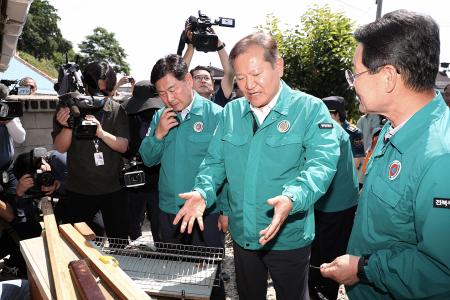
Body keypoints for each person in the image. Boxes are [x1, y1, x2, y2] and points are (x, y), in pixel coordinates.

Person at [174, 32, 340, 300]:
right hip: (243, 235)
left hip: (289, 236)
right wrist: (203, 191)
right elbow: (215, 162)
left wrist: (292, 197)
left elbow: (321, 164)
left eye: (256, 74)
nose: (248, 86)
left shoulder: (309, 109)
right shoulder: (232, 112)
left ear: (279, 66)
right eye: (240, 78)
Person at [320, 10, 450, 299]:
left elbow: (441, 273)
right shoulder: (394, 127)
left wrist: (363, 268)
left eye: (355, 74)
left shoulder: (441, 158)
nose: (351, 84)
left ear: (389, 77)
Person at [139, 54, 226, 299]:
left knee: (209, 280)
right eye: (162, 94)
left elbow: (227, 167)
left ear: (187, 80)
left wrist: (226, 210)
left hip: (205, 214)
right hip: (168, 212)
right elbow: (148, 159)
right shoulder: (160, 116)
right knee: (173, 279)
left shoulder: (216, 115)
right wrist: (158, 134)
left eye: (172, 89)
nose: (169, 98)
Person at [52, 61, 130, 239]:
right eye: (95, 90)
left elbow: (123, 146)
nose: (98, 96)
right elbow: (61, 147)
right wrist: (67, 126)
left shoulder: (115, 109)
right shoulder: (68, 107)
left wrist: (101, 133)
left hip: (113, 189)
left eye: (104, 92)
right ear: (85, 85)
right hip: (79, 190)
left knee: (120, 241)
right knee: (78, 243)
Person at [308, 117, 359, 300]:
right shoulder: (322, 126)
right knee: (317, 253)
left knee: (330, 256)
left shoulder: (326, 129)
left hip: (337, 204)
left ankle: (324, 294)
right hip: (324, 202)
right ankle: (314, 290)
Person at [121, 80, 164, 241]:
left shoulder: (164, 116)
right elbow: (123, 144)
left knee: (158, 219)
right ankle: (137, 246)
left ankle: (162, 248)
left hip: (159, 175)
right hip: (134, 175)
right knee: (133, 218)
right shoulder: (126, 116)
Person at [183, 25, 234, 107]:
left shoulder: (219, 100)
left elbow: (230, 72)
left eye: (206, 78)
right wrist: (191, 45)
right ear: (189, 83)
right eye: (197, 78)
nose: (203, 81)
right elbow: (179, 75)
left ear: (213, 84)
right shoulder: (184, 104)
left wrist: (218, 43)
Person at [323, 96, 365, 171]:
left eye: (329, 114)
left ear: (338, 114)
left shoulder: (353, 133)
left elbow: (356, 161)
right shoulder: (325, 130)